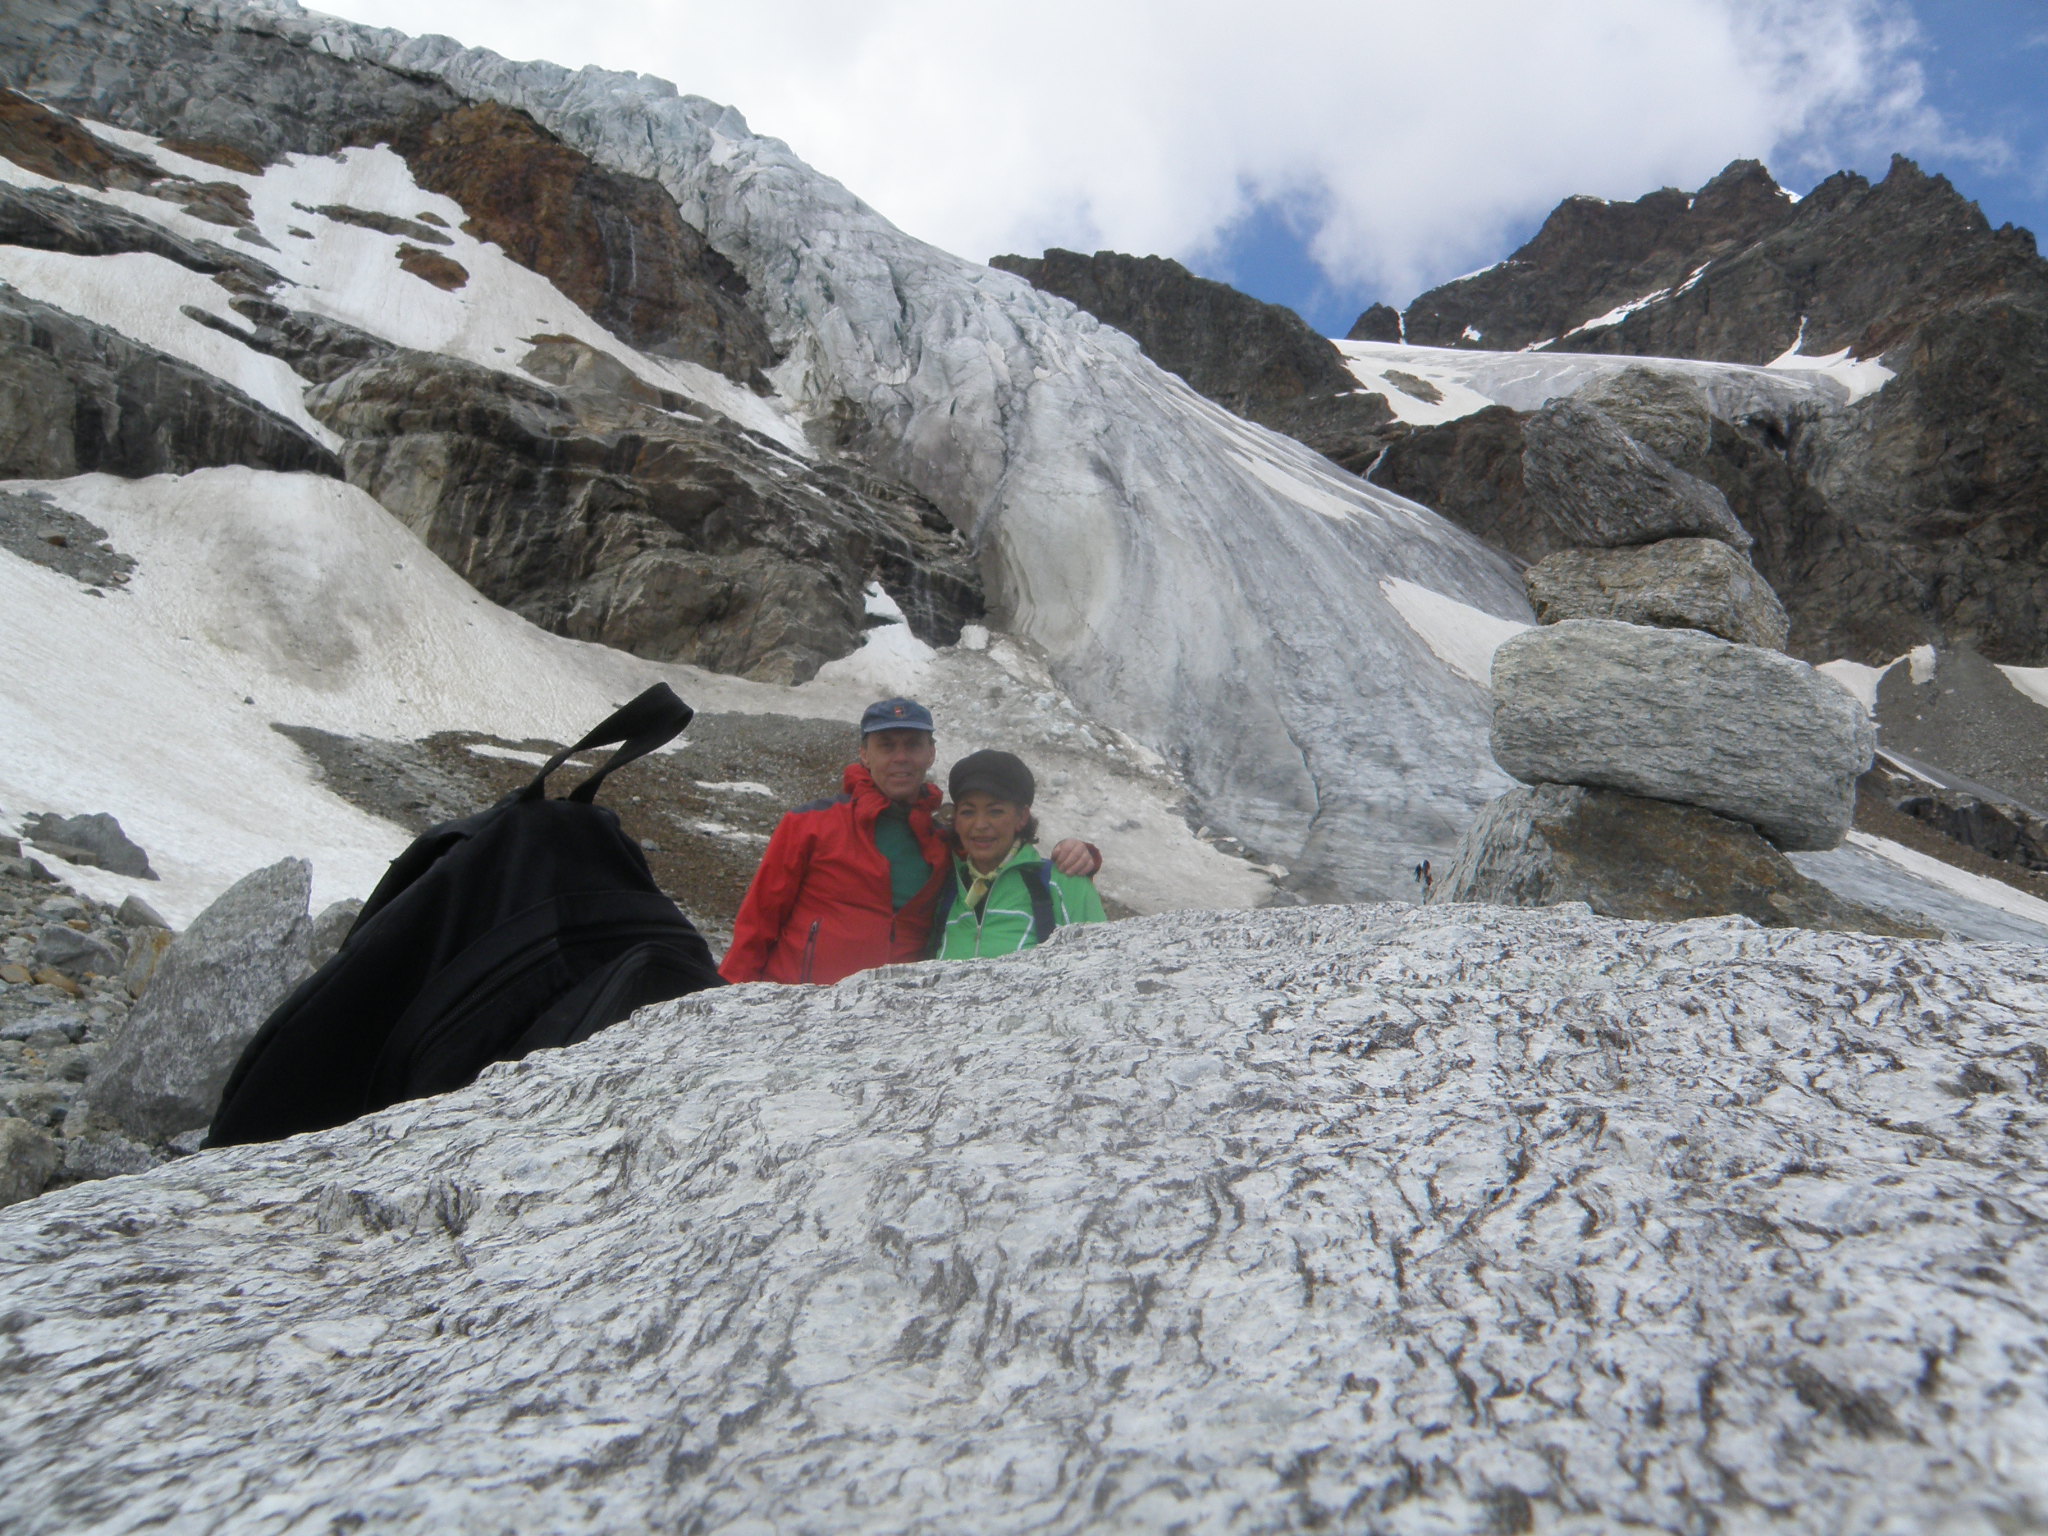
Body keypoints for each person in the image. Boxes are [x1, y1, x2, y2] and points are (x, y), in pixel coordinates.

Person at [721, 699, 1102, 985]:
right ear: (864, 754)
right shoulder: (810, 824)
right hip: (801, 1002)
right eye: (887, 745)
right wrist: (728, 997)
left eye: (912, 745)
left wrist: (1082, 853)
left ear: (930, 753)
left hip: (894, 1022)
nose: (900, 758)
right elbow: (758, 922)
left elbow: (1002, 855)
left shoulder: (943, 841)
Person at [933, 749, 1105, 959]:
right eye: (968, 812)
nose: (979, 825)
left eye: (995, 811)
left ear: (1022, 817)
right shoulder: (945, 888)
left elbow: (1101, 963)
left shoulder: (1064, 883)